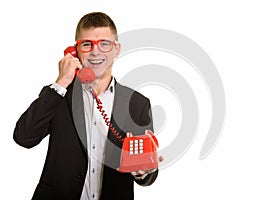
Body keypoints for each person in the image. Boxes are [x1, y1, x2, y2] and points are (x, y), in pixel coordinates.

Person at [13, 12, 159, 200]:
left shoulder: (137, 103)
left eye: (104, 44)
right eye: (87, 44)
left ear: (117, 49)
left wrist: (143, 172)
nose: (96, 52)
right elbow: (24, 138)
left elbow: (149, 173)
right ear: (75, 50)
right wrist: (61, 82)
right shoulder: (58, 95)